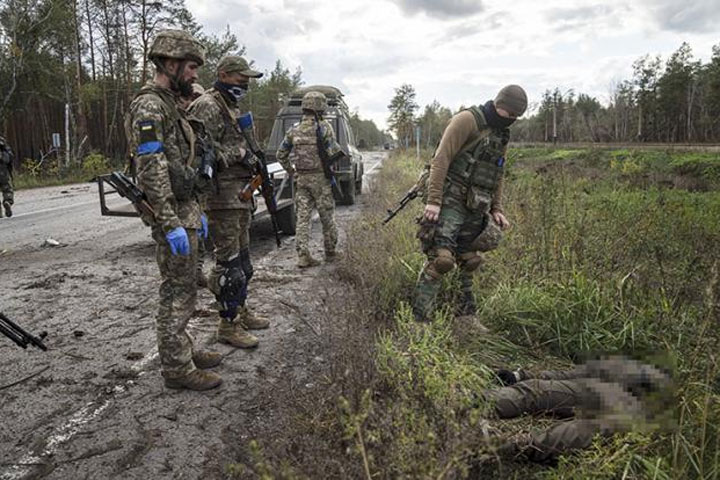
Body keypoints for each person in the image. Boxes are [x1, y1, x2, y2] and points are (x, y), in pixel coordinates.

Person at [126, 29, 221, 391]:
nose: (196, 75)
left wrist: (198, 212)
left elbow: (183, 162)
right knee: (176, 293)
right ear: (169, 63)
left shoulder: (170, 104)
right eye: (191, 67)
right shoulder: (150, 105)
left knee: (187, 290)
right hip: (172, 214)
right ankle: (177, 369)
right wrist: (169, 223)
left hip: (185, 208)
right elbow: (152, 168)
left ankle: (184, 350)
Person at [412, 85, 528, 323]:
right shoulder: (467, 120)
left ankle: (465, 319)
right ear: (498, 105)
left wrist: (497, 209)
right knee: (441, 260)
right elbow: (440, 160)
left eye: (516, 117)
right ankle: (420, 322)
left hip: (477, 205)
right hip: (450, 198)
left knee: (470, 260)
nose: (512, 120)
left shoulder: (501, 132)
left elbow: (498, 172)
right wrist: (434, 202)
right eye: (509, 114)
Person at [188, 55, 268, 350]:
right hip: (221, 198)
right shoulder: (207, 106)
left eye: (247, 79)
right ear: (223, 74)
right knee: (229, 266)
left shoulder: (229, 106)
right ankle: (227, 324)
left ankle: (241, 310)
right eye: (240, 78)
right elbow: (197, 151)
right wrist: (238, 154)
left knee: (244, 265)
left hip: (241, 196)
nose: (245, 83)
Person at [485, 356, 674, 463]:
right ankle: (477, 403)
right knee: (540, 390)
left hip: (638, 412)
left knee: (587, 430)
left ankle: (507, 445)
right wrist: (520, 375)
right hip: (601, 391)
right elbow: (572, 374)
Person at [275, 91, 342, 268]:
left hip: (302, 179)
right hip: (320, 179)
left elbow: (280, 154)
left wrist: (292, 172)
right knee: (327, 216)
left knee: (302, 218)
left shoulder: (294, 130)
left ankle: (303, 256)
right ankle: (330, 252)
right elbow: (334, 152)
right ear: (320, 107)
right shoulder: (325, 127)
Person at [0, 135, 14, 218]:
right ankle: (8, 201)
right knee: (7, 188)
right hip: (2, 170)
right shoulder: (2, 141)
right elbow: (10, 156)